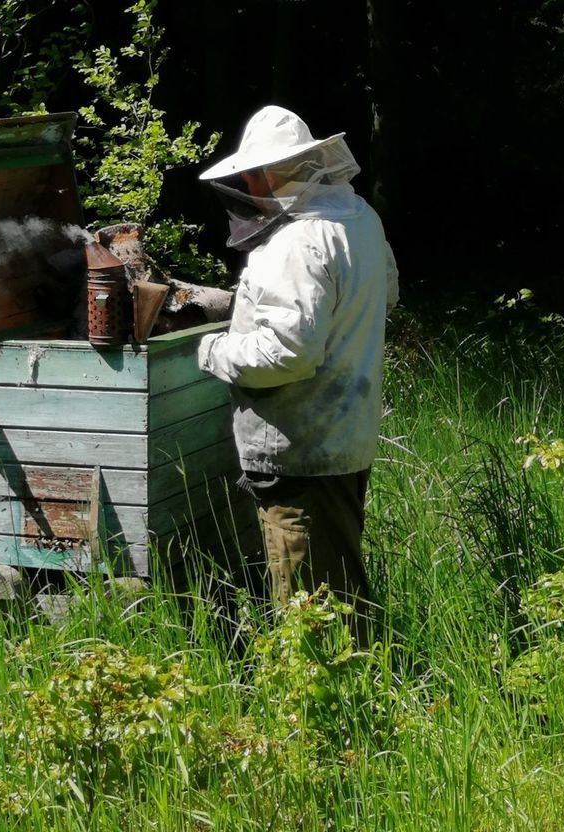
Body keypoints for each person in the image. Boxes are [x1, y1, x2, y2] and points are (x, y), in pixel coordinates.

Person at [196, 105, 399, 625]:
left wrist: (215, 350)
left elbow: (287, 353)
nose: (247, 185)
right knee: (341, 581)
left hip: (300, 447)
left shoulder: (295, 243)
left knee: (312, 612)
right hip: (346, 438)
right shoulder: (360, 221)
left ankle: (330, 703)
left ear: (270, 173)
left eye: (250, 175)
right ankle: (366, 692)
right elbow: (387, 294)